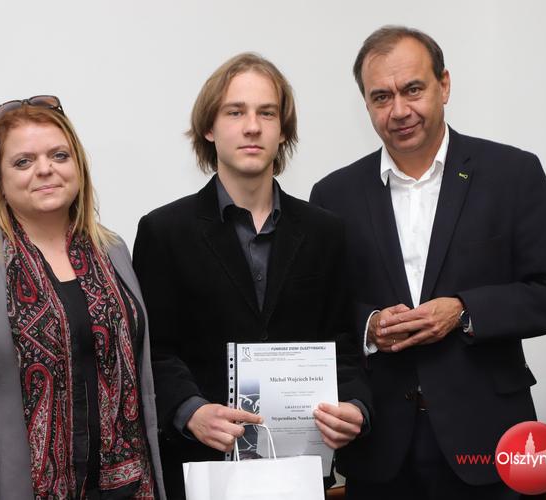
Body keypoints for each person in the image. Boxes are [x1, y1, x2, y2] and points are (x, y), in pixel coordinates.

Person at [310, 26, 546, 500]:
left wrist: (463, 310)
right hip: (379, 447)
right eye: (381, 97)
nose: (399, 110)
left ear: (445, 85)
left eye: (413, 89)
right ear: (366, 104)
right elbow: (321, 312)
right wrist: (369, 326)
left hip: (489, 440)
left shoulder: (512, 174)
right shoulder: (334, 195)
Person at [133, 53, 372, 499]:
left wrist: (357, 406)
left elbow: (342, 342)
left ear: (283, 131)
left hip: (300, 470)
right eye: (235, 112)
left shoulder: (325, 231)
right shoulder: (164, 231)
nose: (252, 127)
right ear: (209, 128)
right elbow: (153, 350)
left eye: (267, 113)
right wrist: (190, 410)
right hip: (202, 469)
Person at [0, 96, 166, 500]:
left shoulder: (112, 249)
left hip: (129, 486)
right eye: (23, 161)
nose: (45, 169)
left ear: (78, 166)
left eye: (59, 155)